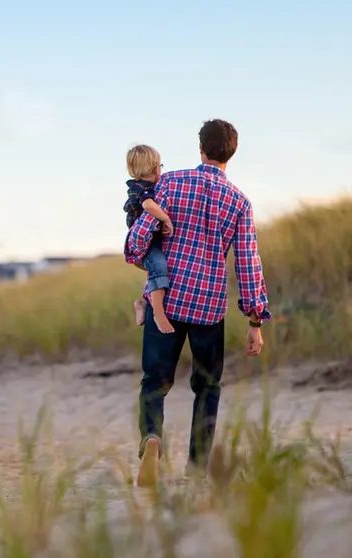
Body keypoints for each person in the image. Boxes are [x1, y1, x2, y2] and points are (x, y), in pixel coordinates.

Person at [125, 119, 270, 487]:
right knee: (207, 387)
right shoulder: (239, 201)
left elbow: (138, 237)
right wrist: (255, 322)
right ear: (231, 153)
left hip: (168, 301)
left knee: (154, 382)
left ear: (200, 148)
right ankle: (197, 467)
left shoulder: (170, 182)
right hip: (208, 308)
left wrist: (139, 254)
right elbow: (248, 263)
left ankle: (152, 439)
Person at [123, 145, 175, 334]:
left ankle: (143, 302)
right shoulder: (141, 189)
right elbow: (148, 205)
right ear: (155, 168)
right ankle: (158, 314)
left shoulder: (148, 186)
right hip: (145, 243)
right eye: (160, 165)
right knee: (159, 266)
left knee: (158, 269)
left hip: (152, 241)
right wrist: (165, 218)